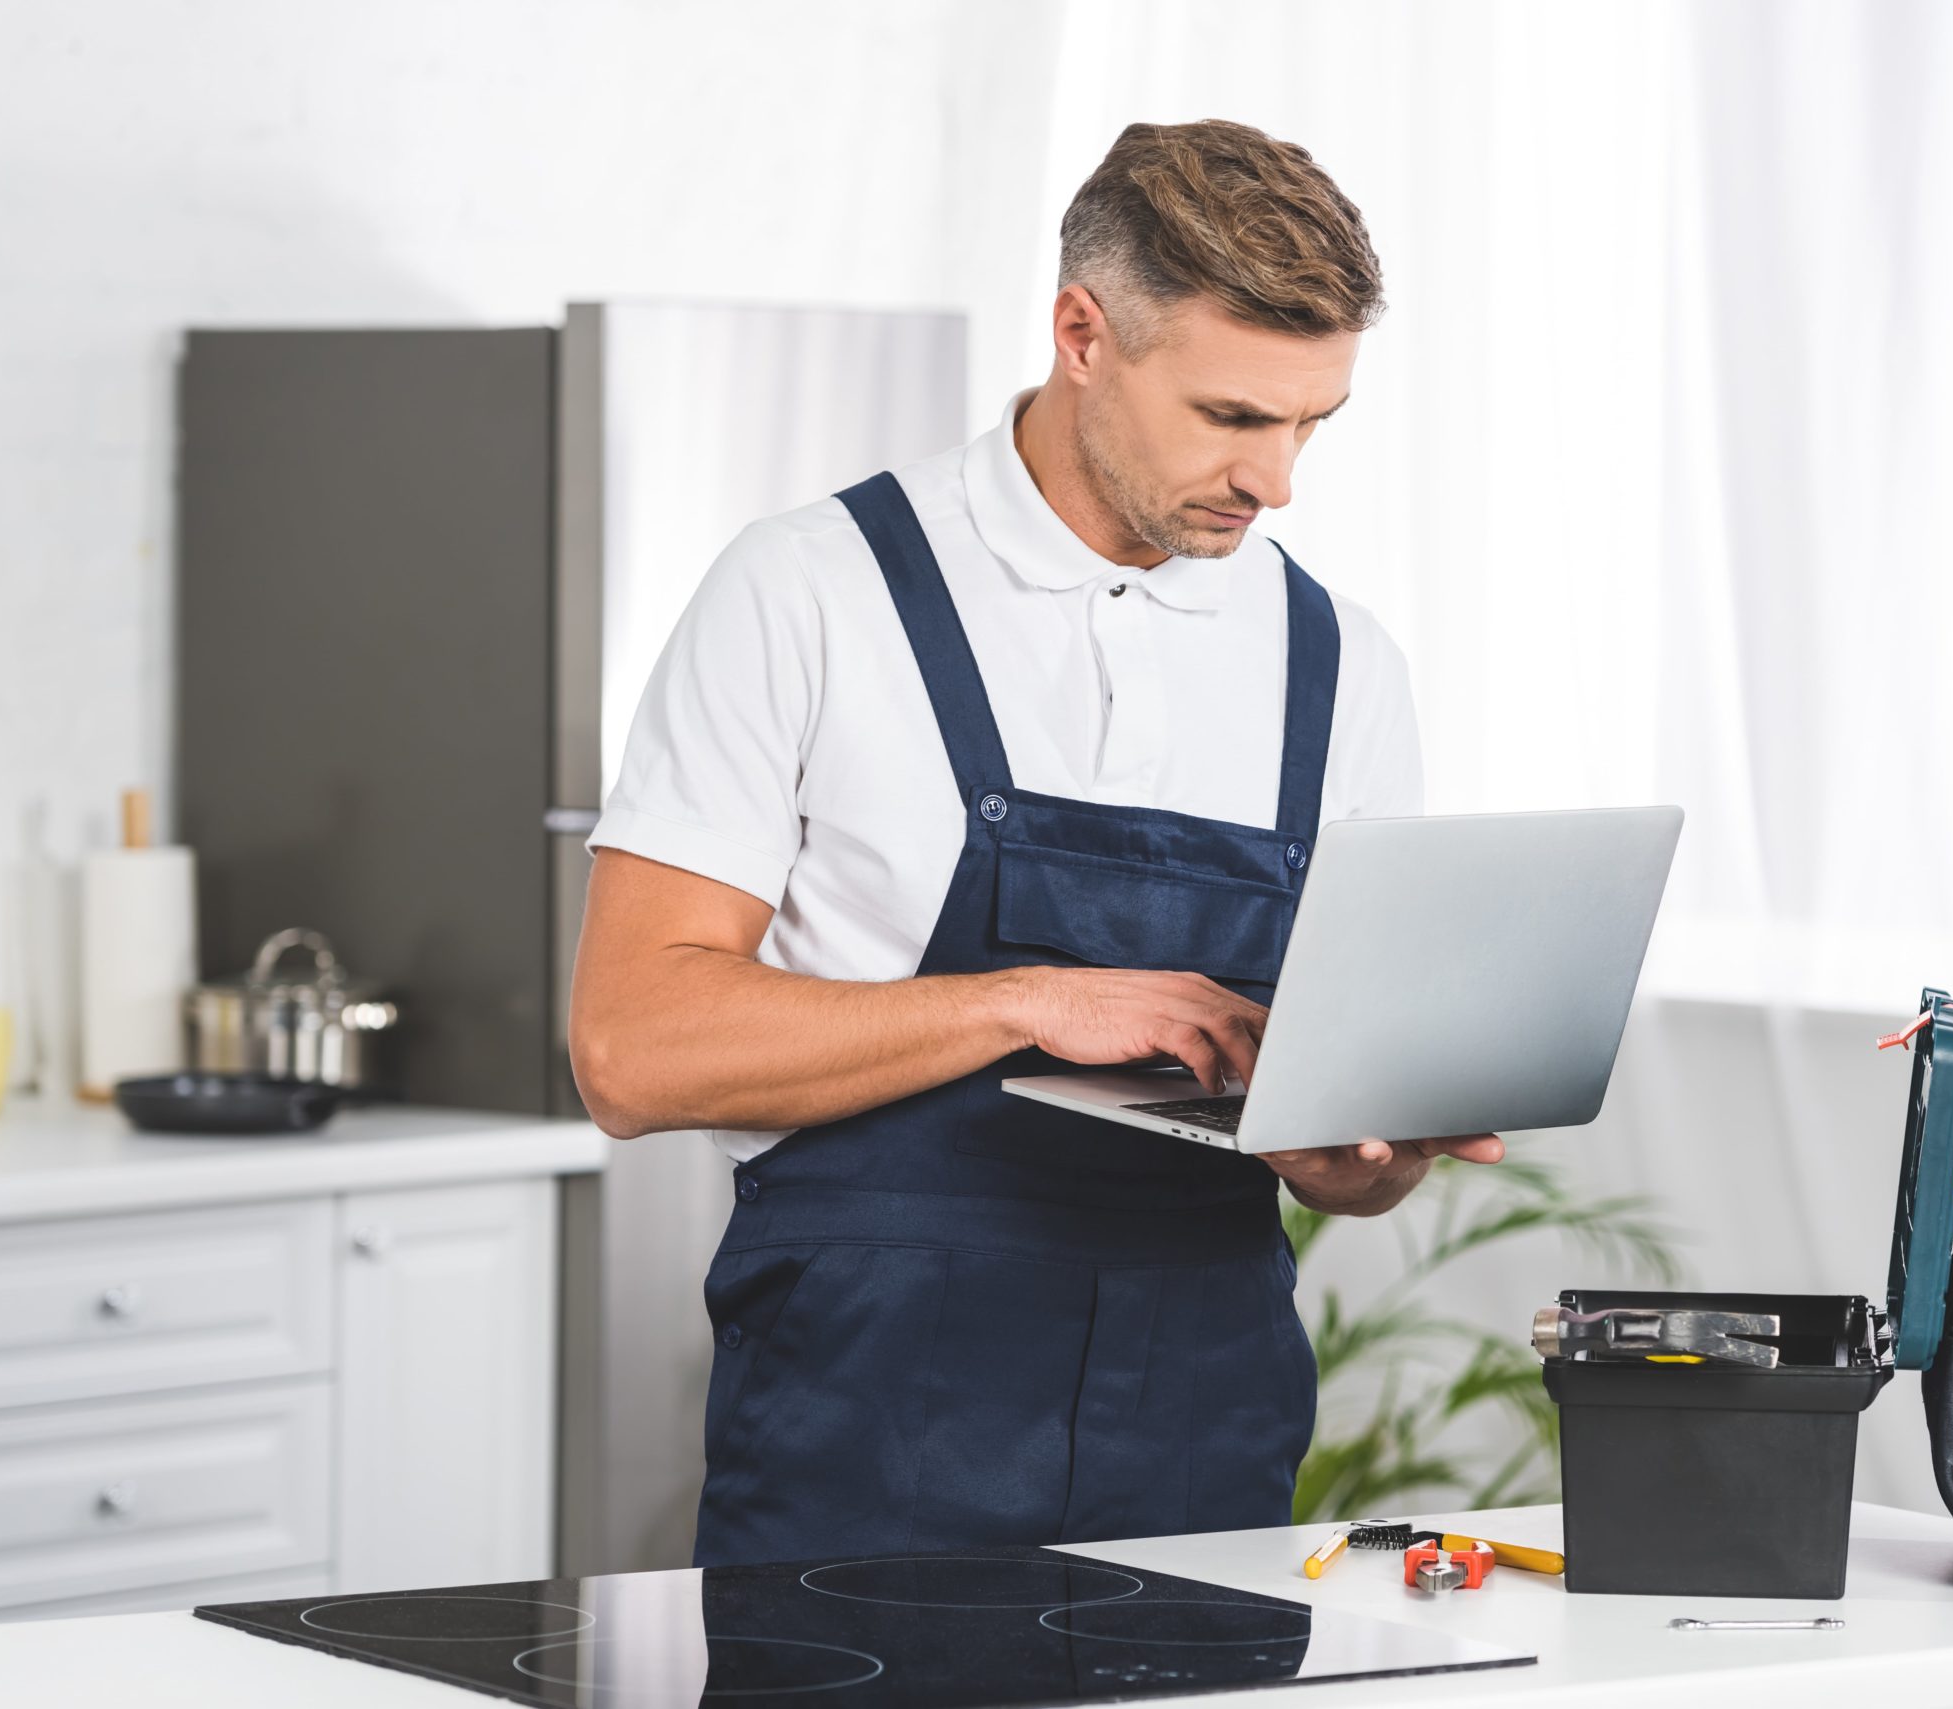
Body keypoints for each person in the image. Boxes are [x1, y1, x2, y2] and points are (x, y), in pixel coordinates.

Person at [569, 118, 1503, 1569]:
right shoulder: (811, 592)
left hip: (1206, 1426)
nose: (1276, 482)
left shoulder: (1340, 663)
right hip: (867, 1431)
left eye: (1312, 422)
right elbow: (629, 1048)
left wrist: (1365, 1156)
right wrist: (1027, 1000)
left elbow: (1339, 1163)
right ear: (1083, 333)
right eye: (1230, 415)